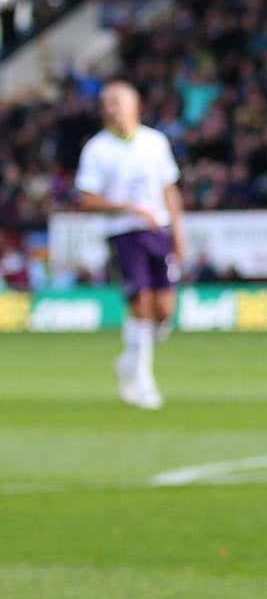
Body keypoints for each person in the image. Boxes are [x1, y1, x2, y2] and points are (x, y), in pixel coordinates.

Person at [72, 81, 184, 409]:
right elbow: (86, 199)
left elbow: (169, 190)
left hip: (158, 231)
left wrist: (179, 231)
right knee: (141, 305)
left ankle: (130, 358)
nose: (110, 109)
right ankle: (143, 382)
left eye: (117, 102)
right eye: (106, 103)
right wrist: (128, 208)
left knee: (164, 311)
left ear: (135, 105)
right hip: (123, 233)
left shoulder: (155, 142)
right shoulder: (97, 148)